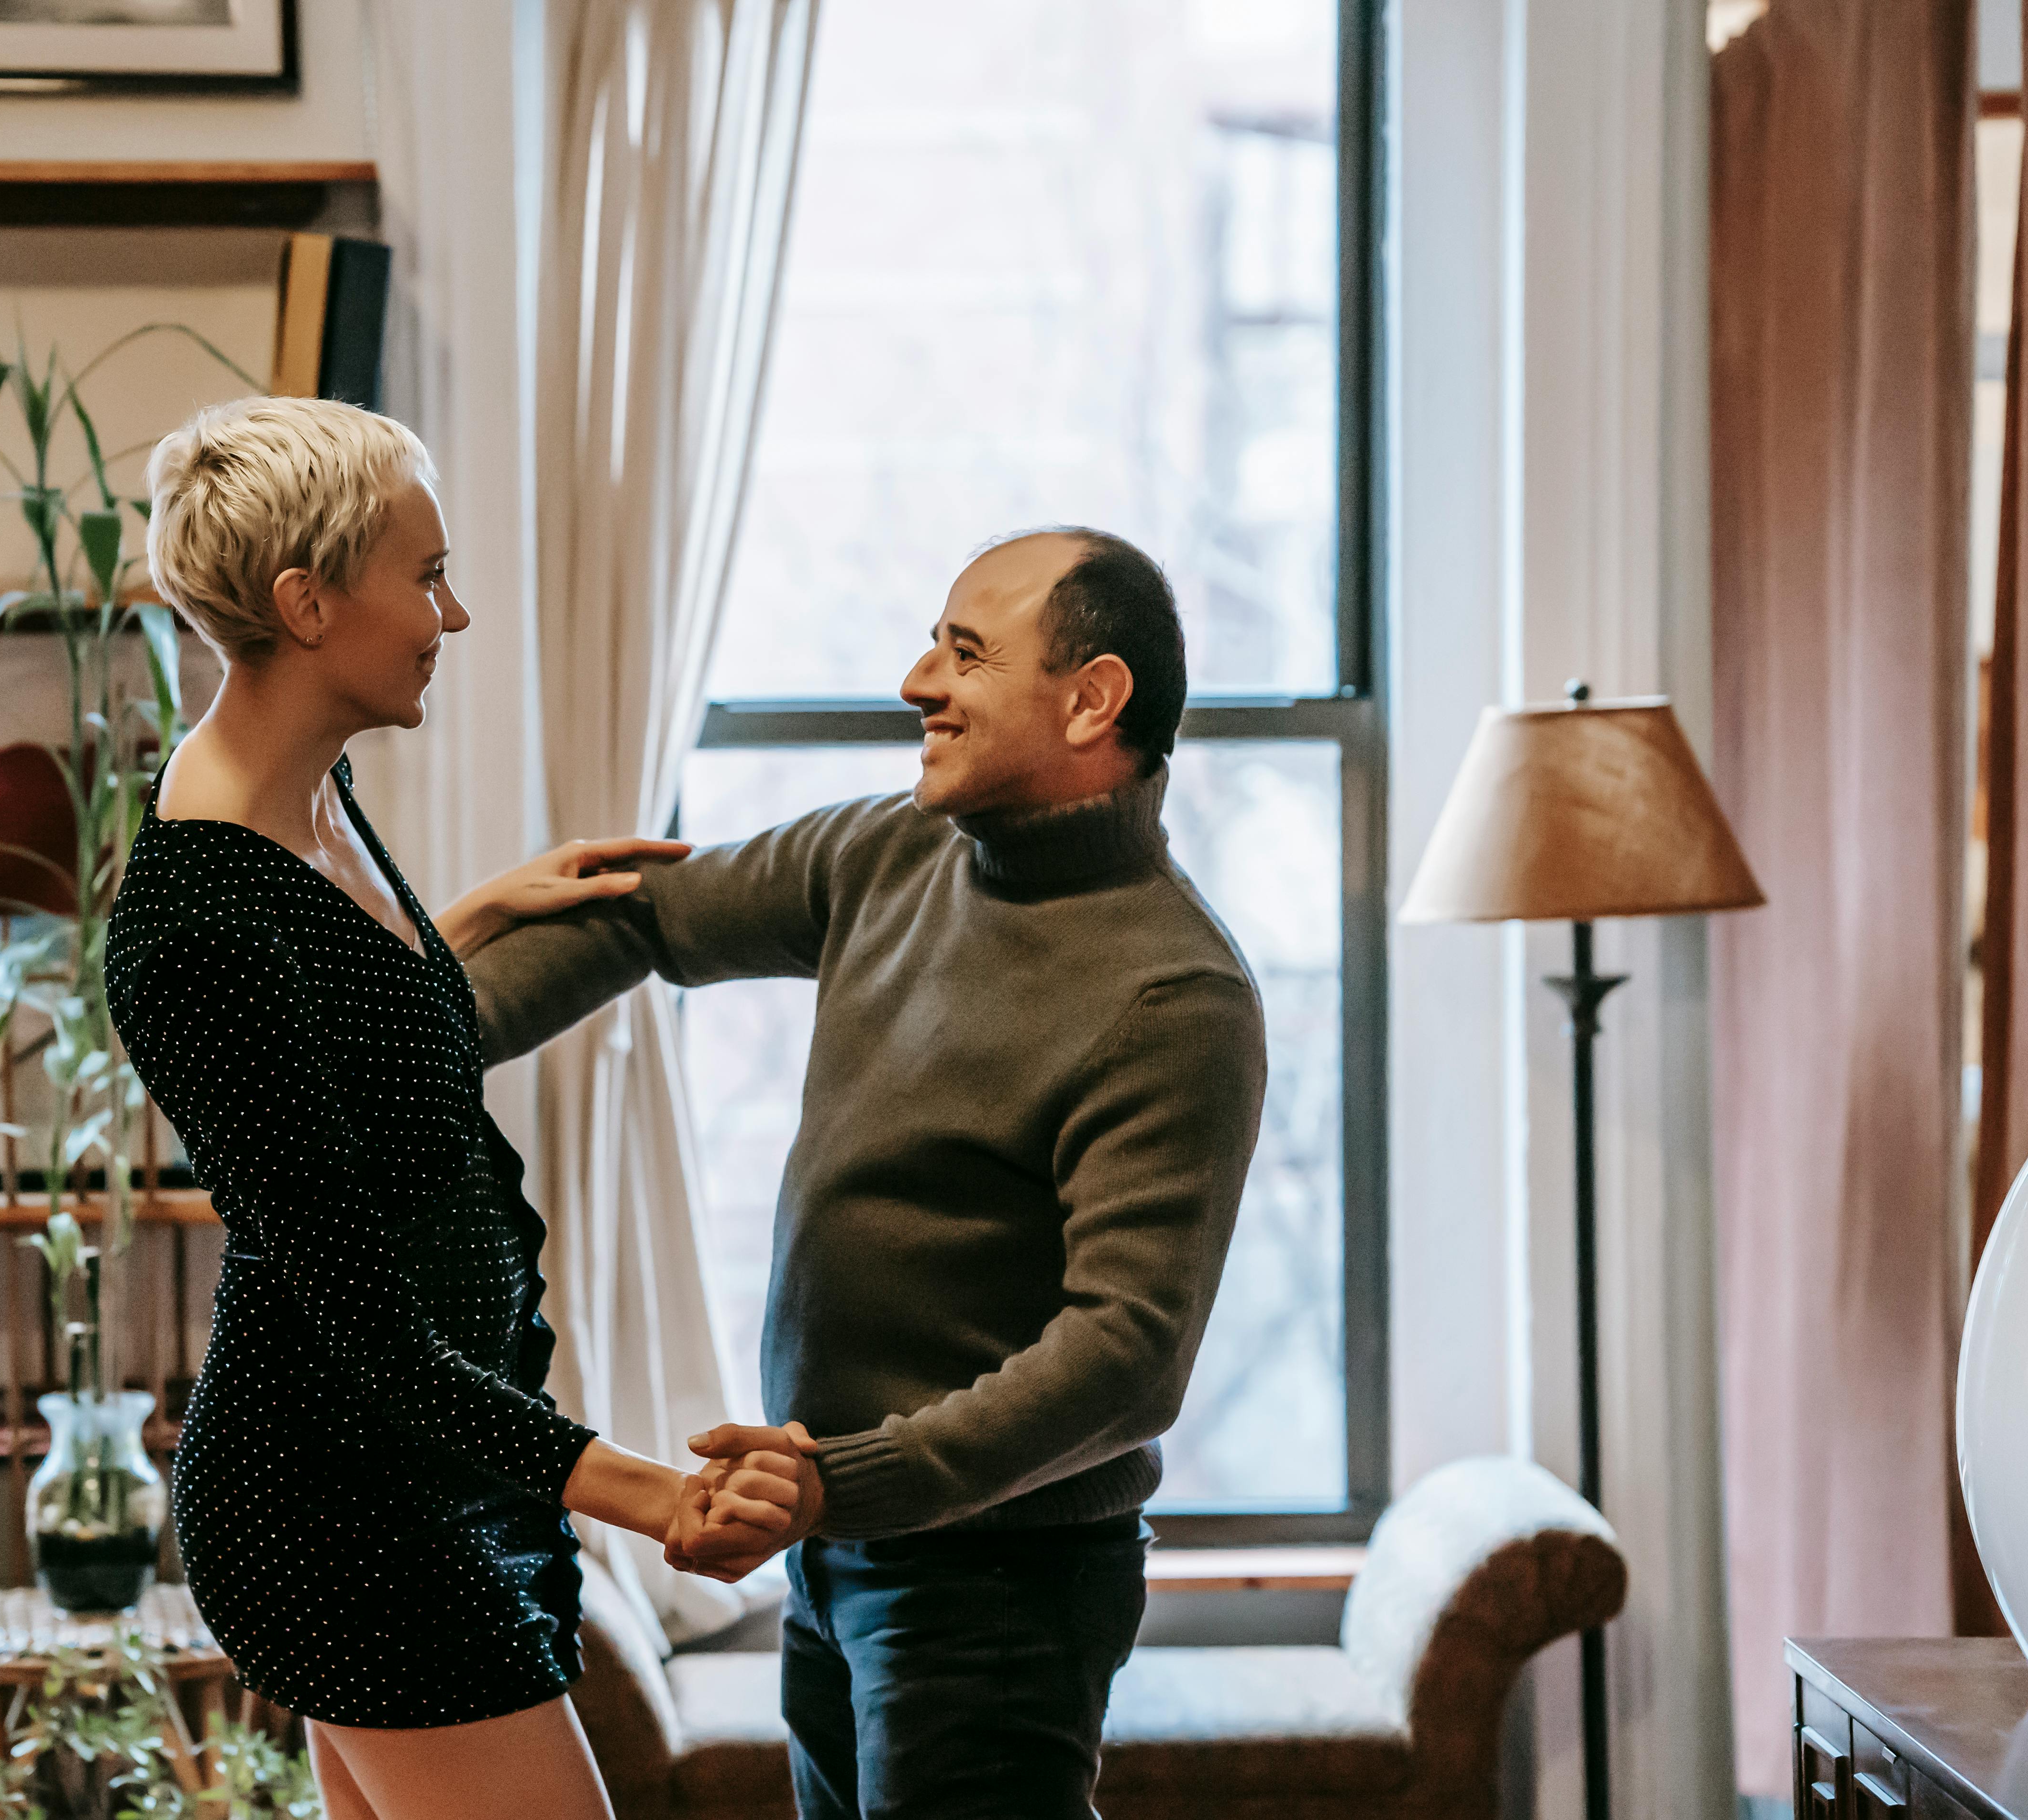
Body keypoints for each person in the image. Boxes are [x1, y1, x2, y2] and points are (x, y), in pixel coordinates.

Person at [465, 528, 1269, 1820]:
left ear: (1089, 698)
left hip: (998, 1586)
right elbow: (642, 916)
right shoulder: (883, 854)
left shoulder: (1172, 994)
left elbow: (1125, 1357)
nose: (914, 681)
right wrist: (393, 1049)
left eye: (963, 652)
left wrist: (841, 1482)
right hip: (836, 1553)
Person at [110, 396, 796, 1820]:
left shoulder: (309, 799)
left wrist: (469, 917)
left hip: (410, 1472)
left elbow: (336, 1014)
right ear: (307, 603)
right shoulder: (195, 929)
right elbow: (370, 1336)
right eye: (424, 576)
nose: (453, 612)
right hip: (343, 1502)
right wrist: (652, 1494)